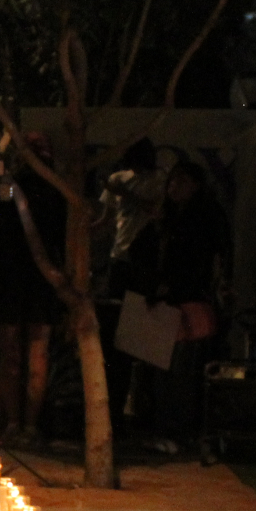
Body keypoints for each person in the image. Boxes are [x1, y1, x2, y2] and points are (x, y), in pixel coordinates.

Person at [0, 133, 66, 444]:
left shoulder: (54, 189)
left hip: (32, 275)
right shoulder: (10, 188)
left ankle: (25, 424)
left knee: (33, 352)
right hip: (16, 273)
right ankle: (15, 423)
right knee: (19, 351)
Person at [139, 160, 231, 450]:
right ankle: (166, 429)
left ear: (195, 185)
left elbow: (215, 256)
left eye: (181, 181)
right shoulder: (166, 219)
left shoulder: (203, 217)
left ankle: (179, 431)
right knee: (163, 372)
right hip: (168, 301)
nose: (173, 187)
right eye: (171, 182)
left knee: (182, 370)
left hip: (189, 300)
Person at [96, 139, 165, 428]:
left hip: (143, 261)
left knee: (137, 334)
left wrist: (123, 193)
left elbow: (154, 209)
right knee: (113, 328)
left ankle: (137, 404)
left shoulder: (156, 181)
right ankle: (113, 404)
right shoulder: (118, 179)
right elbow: (107, 218)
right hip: (119, 259)